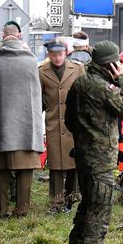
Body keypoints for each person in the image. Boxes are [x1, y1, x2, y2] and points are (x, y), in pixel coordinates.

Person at [65, 41, 123, 244]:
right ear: (110, 65)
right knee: (100, 209)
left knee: (88, 204)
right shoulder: (102, 87)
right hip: (101, 159)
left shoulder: (79, 83)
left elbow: (69, 120)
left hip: (83, 154)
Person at [0, 22, 45, 216]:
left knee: (1, 173)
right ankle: (22, 210)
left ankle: (0, 210)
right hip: (26, 130)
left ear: (3, 36)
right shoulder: (31, 61)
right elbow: (37, 97)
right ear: (19, 36)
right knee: (25, 173)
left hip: (1, 128)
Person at [39, 39, 85, 213]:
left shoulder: (78, 68)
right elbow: (39, 98)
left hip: (75, 124)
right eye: (53, 55)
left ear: (65, 53)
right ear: (49, 55)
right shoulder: (42, 71)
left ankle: (71, 198)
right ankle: (56, 201)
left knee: (74, 162)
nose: (57, 58)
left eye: (60, 55)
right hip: (54, 123)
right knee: (56, 165)